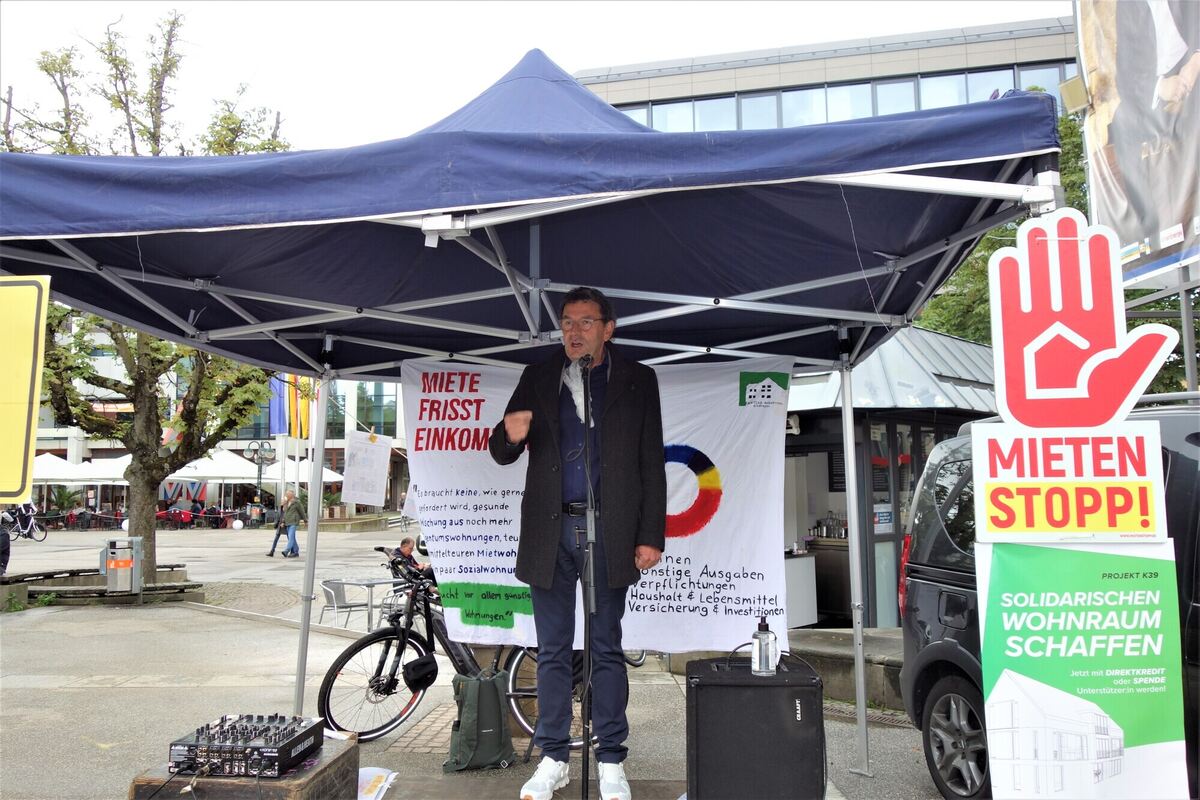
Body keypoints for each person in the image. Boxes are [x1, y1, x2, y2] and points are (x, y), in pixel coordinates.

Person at [488, 286, 666, 800]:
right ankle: (553, 758)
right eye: (567, 322)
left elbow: (650, 462)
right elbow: (501, 449)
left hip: (610, 530)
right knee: (552, 649)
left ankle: (610, 759)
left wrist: (650, 535)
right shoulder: (537, 375)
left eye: (586, 322)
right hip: (550, 530)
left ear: (608, 328)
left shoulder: (637, 379)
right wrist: (510, 434)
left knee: (605, 646)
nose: (574, 331)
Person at [272, 489, 305, 558]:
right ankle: (295, 551)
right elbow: (285, 513)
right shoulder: (287, 502)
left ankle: (286, 551)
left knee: (290, 537)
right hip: (287, 522)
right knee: (291, 537)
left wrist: (305, 520)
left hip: (293, 522)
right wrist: (283, 522)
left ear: (291, 495)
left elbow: (302, 511)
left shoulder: (297, 502)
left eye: (287, 494)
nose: (286, 495)